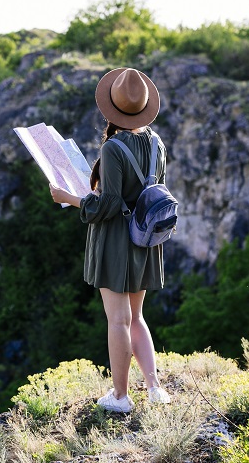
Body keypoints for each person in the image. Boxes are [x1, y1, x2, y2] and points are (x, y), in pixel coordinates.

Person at [49, 67, 171, 413]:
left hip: (117, 239)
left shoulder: (114, 147)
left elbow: (109, 204)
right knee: (137, 316)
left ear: (112, 107)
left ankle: (120, 397)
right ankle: (154, 389)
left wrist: (69, 197)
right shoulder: (157, 143)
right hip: (146, 237)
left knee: (118, 320)